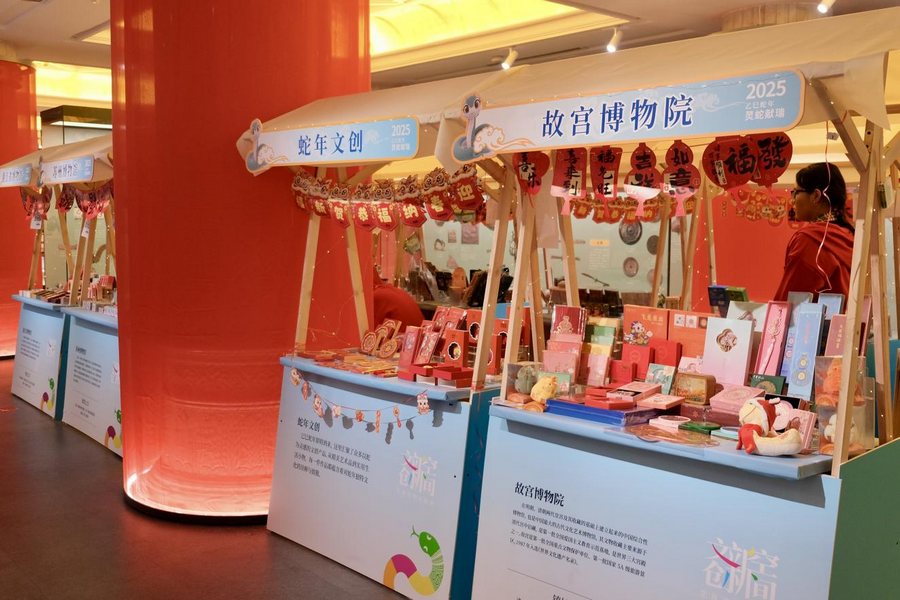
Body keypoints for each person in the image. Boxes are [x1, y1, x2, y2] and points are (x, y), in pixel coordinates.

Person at [773, 163, 854, 301]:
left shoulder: (809, 240)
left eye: (796, 192)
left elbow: (789, 301)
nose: (792, 200)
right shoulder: (849, 235)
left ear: (816, 195)